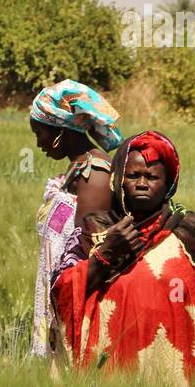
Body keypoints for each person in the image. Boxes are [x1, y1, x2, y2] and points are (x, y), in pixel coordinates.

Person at [51, 130, 195, 387]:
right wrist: (107, 254)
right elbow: (62, 292)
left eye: (152, 176)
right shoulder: (97, 230)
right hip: (111, 379)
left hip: (179, 380)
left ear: (169, 182)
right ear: (118, 181)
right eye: (133, 175)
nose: (142, 183)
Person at [28, 79, 123, 358]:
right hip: (63, 297)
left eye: (40, 132)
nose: (38, 143)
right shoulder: (77, 169)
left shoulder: (94, 174)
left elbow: (88, 254)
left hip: (79, 304)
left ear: (59, 130)